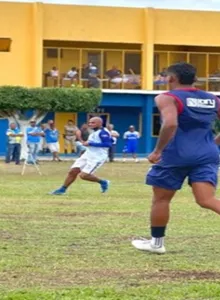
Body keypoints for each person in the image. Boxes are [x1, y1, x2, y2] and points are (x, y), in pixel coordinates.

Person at [132, 62, 220, 254]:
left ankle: (157, 244)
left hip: (176, 154)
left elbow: (170, 124)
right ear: (194, 80)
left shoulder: (167, 98)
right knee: (206, 199)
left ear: (171, 78)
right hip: (207, 154)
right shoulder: (212, 99)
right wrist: (214, 143)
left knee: (161, 199)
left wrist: (157, 151)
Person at [50, 117, 111, 195]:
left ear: (100, 123)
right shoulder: (93, 132)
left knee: (84, 176)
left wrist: (91, 144)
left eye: (93, 123)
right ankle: (62, 190)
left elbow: (108, 144)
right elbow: (109, 140)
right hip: (88, 154)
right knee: (73, 171)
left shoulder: (103, 132)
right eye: (89, 122)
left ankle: (103, 182)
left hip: (97, 157)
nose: (90, 124)